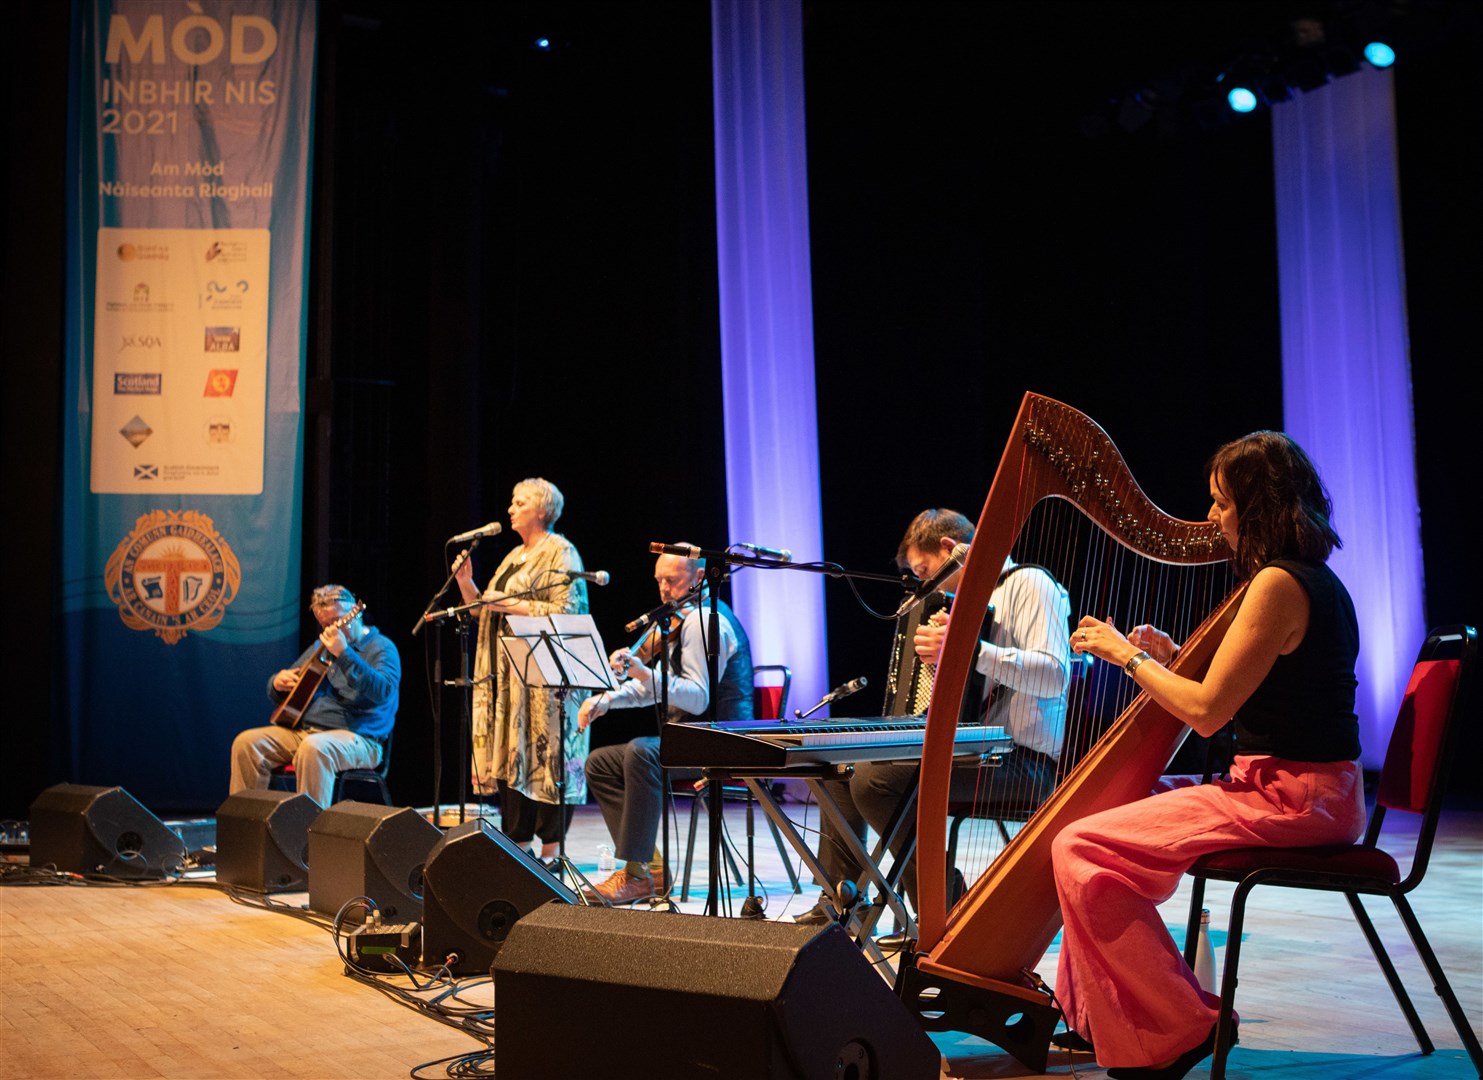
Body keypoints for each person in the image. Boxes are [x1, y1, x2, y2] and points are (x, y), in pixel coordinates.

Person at [1052, 431, 1365, 1079]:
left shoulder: (1277, 584)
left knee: (1077, 847)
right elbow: (1241, 692)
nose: (1211, 517)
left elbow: (1206, 713)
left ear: (1256, 506)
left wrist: (1127, 656)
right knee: (1098, 817)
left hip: (1291, 798)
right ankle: (1103, 1018)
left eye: (1221, 503)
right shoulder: (1309, 580)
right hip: (1303, 790)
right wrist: (1169, 660)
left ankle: (1183, 1023)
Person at [802, 508, 1072, 924]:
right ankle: (840, 906)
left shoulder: (1029, 584)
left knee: (874, 781)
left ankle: (946, 906)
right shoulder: (965, 603)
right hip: (973, 752)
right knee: (838, 767)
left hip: (1023, 761)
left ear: (951, 548)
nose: (926, 586)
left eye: (927, 571)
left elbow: (1055, 675)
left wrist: (972, 651)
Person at [579, 547, 754, 904]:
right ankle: (652, 868)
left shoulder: (704, 621)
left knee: (642, 752)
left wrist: (644, 671)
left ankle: (634, 873)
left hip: (725, 739)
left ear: (699, 578)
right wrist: (608, 700)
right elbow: (659, 689)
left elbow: (697, 698)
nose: (663, 589)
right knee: (599, 763)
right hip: (689, 737)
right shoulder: (680, 621)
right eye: (658, 580)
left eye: (671, 580)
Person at [454, 478, 590, 864]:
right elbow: (483, 610)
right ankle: (518, 848)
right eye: (512, 502)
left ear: (543, 510)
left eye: (520, 502)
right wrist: (468, 585)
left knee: (547, 760)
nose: (510, 509)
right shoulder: (514, 555)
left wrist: (508, 604)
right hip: (508, 679)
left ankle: (551, 853)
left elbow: (567, 612)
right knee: (513, 759)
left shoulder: (561, 552)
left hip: (546, 680)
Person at [230, 585, 400, 808]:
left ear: (354, 614)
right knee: (246, 744)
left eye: (338, 621)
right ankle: (246, 828)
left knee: (314, 748)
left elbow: (383, 691)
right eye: (325, 624)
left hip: (360, 738)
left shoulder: (381, 647)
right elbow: (288, 691)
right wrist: (277, 683)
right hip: (306, 732)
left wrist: (345, 654)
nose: (332, 629)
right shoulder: (322, 645)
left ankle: (306, 835)